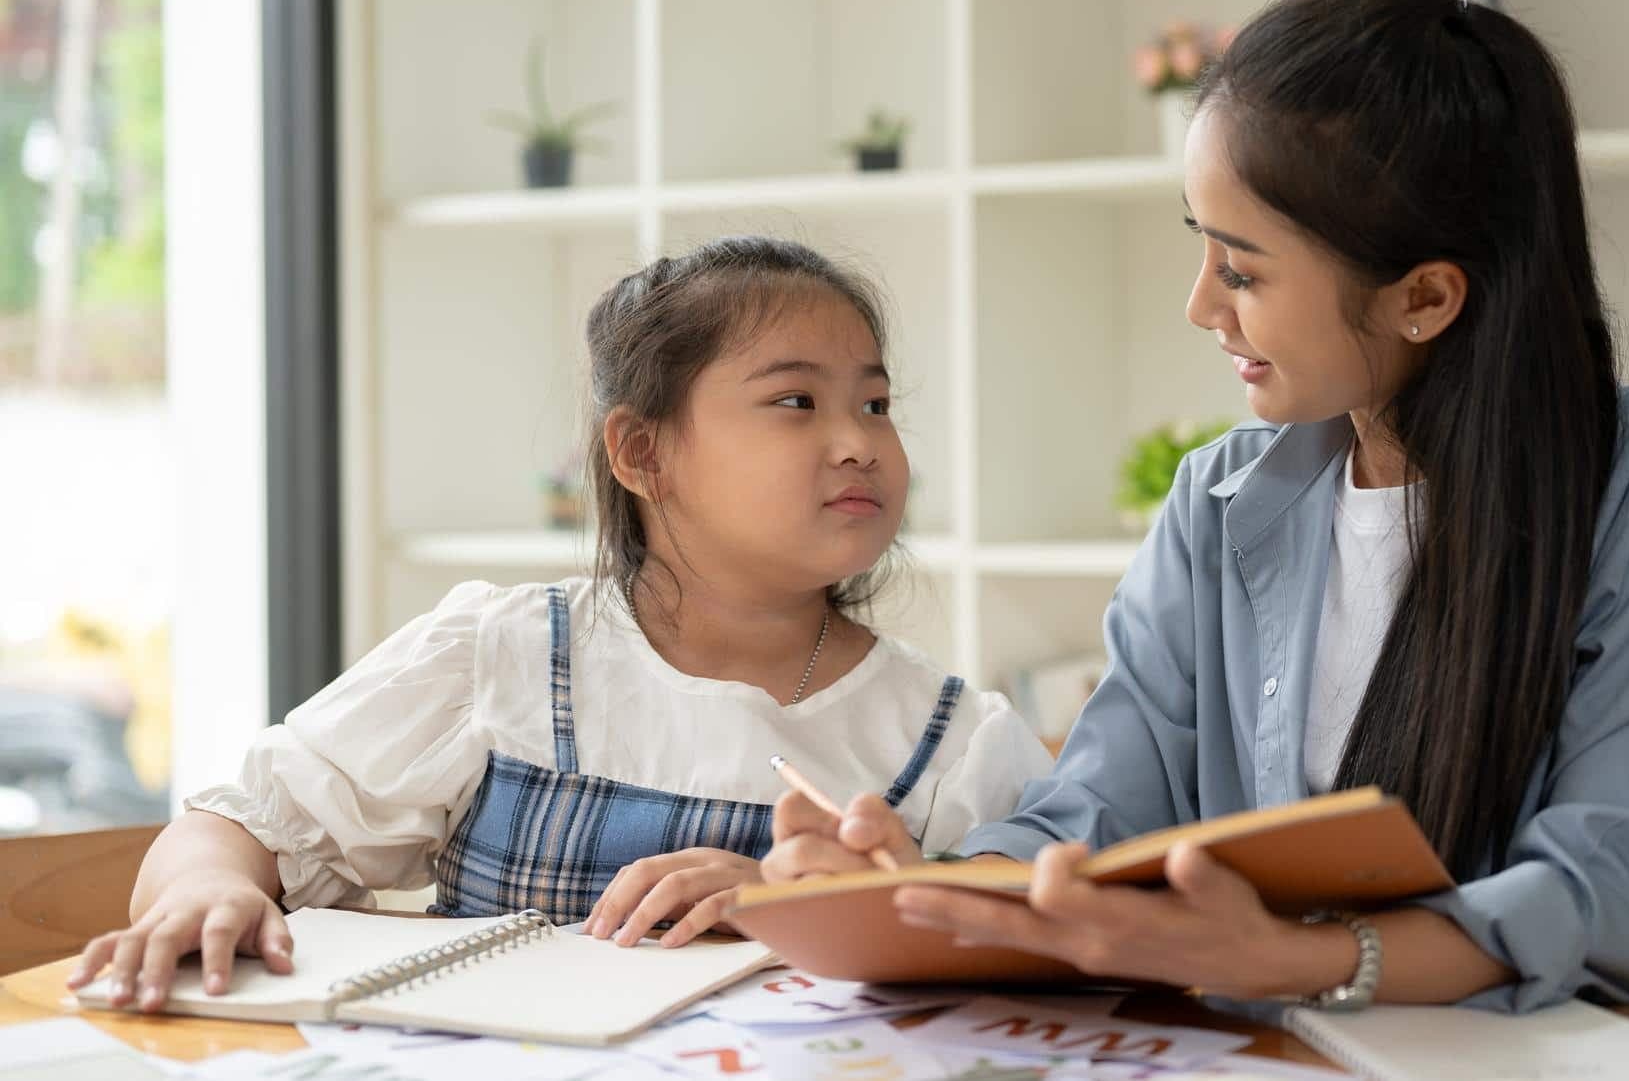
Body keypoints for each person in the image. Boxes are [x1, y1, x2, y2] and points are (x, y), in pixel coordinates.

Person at [763, 0, 1629, 1016]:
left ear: (1423, 297)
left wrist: (1297, 955)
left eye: (1242, 271)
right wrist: (925, 887)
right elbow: (1093, 811)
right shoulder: (1218, 499)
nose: (1198, 306)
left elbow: (1612, 891)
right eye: (1200, 249)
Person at [73, 236, 1051, 1012]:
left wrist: (807, 904)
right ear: (640, 451)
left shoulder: (952, 741)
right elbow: (241, 818)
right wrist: (209, 888)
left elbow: (1014, 963)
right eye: (795, 400)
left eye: (874, 402)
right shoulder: (499, 658)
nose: (858, 442)